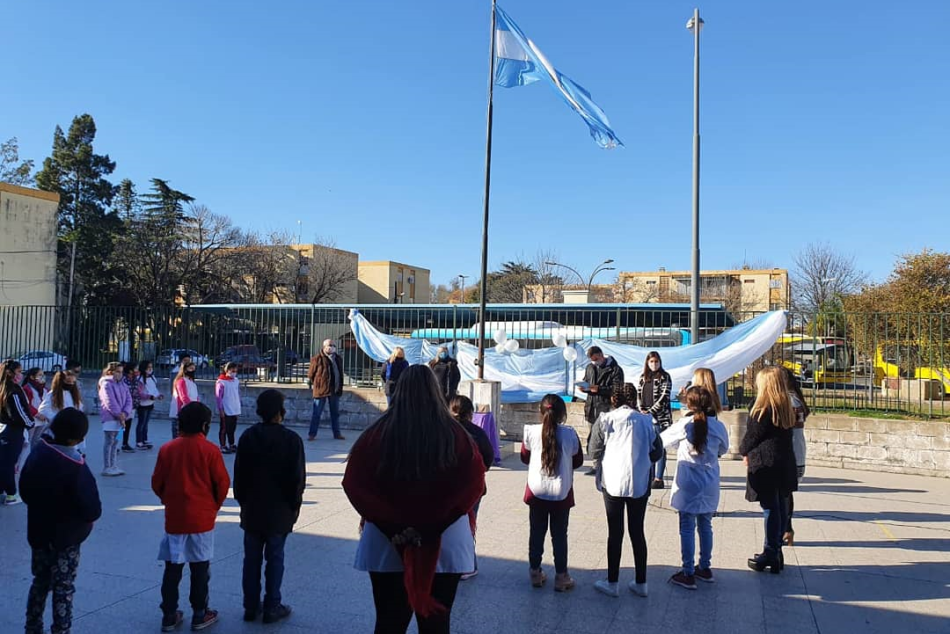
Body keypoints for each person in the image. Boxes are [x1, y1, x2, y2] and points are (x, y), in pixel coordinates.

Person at [342, 365, 485, 634]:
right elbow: (474, 484)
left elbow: (354, 483)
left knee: (388, 622)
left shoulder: (375, 434)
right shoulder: (457, 435)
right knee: (437, 625)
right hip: (446, 542)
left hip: (386, 542)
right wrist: (433, 527)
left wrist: (392, 527)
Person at [20, 407, 102, 634]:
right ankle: (61, 629)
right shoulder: (76, 466)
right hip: (66, 538)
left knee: (40, 581)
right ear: (80, 438)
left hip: (39, 531)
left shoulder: (39, 452)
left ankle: (33, 625)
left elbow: (25, 491)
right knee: (63, 587)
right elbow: (92, 508)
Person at [151, 402, 230, 632]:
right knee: (200, 568)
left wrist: (168, 499)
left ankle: (168, 613)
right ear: (205, 426)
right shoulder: (211, 450)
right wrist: (213, 505)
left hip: (175, 517)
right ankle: (200, 612)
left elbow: (157, 482)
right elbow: (222, 484)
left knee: (172, 568)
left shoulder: (167, 449)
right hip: (202, 518)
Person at [233, 389, 305, 624]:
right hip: (280, 509)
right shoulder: (292, 440)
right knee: (275, 557)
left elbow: (239, 476)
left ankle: (250, 605)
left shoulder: (247, 436)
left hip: (253, 506)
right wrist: (294, 507)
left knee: (250, 559)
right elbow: (297, 480)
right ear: (280, 412)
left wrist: (243, 501)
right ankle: (272, 604)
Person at [588, 383, 658, 598]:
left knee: (615, 532)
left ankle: (612, 581)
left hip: (613, 481)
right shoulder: (647, 421)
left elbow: (593, 450)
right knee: (638, 531)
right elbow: (657, 453)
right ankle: (641, 582)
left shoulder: (605, 419)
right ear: (635, 399)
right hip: (639, 481)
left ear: (613, 399)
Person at [662, 386, 730, 590]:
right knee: (706, 525)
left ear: (688, 404)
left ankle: (688, 571)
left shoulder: (684, 425)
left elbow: (663, 441)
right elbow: (723, 449)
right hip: (709, 480)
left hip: (688, 481)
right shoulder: (718, 427)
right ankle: (705, 567)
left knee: (687, 527)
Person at [522, 394, 583, 592]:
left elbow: (524, 457)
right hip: (561, 492)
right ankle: (561, 576)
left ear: (541, 411)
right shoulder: (569, 434)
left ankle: (534, 572)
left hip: (536, 490)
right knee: (559, 535)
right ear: (562, 414)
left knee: (536, 532)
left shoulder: (531, 432)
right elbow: (578, 460)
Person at [740, 367, 798, 574]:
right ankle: (776, 549)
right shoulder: (785, 407)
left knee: (770, 509)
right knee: (780, 506)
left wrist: (742, 450)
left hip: (766, 464)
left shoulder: (762, 409)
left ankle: (770, 550)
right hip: (783, 463)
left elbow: (751, 437)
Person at [448, 394, 494, 580]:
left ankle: (450, 562)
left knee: (450, 525)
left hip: (449, 487)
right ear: (470, 413)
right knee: (468, 524)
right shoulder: (478, 433)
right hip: (473, 487)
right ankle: (468, 564)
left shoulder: (444, 431)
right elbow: (488, 457)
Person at [579, 346, 624, 475]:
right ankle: (596, 465)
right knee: (593, 438)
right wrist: (583, 387)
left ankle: (608, 465)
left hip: (606, 407)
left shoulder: (615, 369)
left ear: (601, 354)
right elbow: (586, 381)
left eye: (596, 359)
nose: (595, 362)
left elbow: (617, 389)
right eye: (592, 360)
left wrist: (599, 389)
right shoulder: (590, 368)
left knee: (607, 439)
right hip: (591, 407)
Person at [0, 359, 34, 505]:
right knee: (8, 464)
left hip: (3, 428)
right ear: (9, 372)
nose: (21, 374)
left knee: (3, 462)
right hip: (13, 431)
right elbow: (20, 412)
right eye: (19, 371)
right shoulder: (13, 391)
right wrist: (30, 423)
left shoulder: (3, 388)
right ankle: (11, 494)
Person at [782, 367, 810, 546]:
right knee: (786, 494)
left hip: (789, 453)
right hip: (796, 452)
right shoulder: (796, 398)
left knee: (782, 495)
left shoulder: (789, 401)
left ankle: (784, 529)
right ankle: (786, 528)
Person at [638, 351, 673, 489]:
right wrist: (641, 410)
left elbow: (664, 397)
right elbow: (639, 395)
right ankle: (650, 475)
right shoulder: (643, 377)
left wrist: (651, 411)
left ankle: (659, 477)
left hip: (660, 418)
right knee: (649, 447)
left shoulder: (665, 377)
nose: (654, 364)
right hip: (645, 418)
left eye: (656, 361)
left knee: (660, 447)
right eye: (651, 361)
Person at [98, 362, 132, 477]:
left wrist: (125, 413)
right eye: (117, 372)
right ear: (110, 372)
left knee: (116, 442)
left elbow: (129, 400)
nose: (120, 374)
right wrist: (118, 414)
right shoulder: (106, 385)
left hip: (122, 420)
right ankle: (107, 466)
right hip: (110, 419)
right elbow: (109, 401)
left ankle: (114, 465)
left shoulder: (123, 385)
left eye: (121, 372)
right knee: (109, 442)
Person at [307, 339, 345, 441]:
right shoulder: (317, 359)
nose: (332, 347)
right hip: (321, 391)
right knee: (317, 413)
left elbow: (340, 373)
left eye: (333, 345)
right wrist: (318, 383)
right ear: (324, 347)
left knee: (335, 414)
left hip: (334, 390)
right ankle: (312, 434)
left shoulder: (338, 358)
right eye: (329, 345)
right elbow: (311, 374)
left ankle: (337, 434)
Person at [17, 367, 48, 475]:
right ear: (32, 377)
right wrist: (37, 414)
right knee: (27, 441)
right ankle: (21, 464)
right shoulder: (26, 388)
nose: (42, 377)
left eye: (42, 374)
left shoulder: (44, 389)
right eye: (40, 375)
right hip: (32, 419)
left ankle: (34, 461)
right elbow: (27, 404)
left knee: (37, 441)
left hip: (43, 419)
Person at [215, 363, 241, 453]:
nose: (234, 373)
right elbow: (219, 397)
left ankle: (232, 444)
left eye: (236, 371)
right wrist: (221, 409)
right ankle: (222, 445)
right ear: (227, 370)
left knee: (232, 428)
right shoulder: (221, 382)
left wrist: (238, 409)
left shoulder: (236, 381)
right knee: (224, 428)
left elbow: (237, 395)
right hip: (226, 408)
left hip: (234, 408)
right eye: (232, 371)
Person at [137, 360, 163, 449]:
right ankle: (139, 441)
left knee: (146, 423)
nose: (150, 369)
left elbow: (154, 389)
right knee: (141, 423)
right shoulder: (140, 379)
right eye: (148, 368)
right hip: (142, 404)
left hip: (150, 403)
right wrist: (149, 396)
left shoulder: (152, 378)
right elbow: (139, 393)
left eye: (151, 367)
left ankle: (144, 439)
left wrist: (158, 395)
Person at [171, 360, 200, 440]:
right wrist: (191, 407)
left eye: (194, 368)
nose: (193, 370)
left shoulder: (192, 382)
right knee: (178, 433)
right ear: (185, 369)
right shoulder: (181, 381)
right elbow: (183, 396)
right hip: (182, 410)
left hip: (191, 409)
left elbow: (196, 396)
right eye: (191, 368)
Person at [168, 354, 193, 439]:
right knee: (176, 426)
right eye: (185, 360)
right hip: (179, 403)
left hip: (188, 403)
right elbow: (173, 388)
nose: (187, 362)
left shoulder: (189, 376)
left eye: (189, 360)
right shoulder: (176, 373)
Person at [121, 362, 142, 453]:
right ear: (130, 370)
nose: (137, 371)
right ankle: (116, 444)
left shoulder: (135, 379)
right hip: (124, 406)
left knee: (128, 426)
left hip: (132, 406)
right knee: (120, 427)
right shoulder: (124, 379)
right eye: (136, 369)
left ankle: (125, 443)